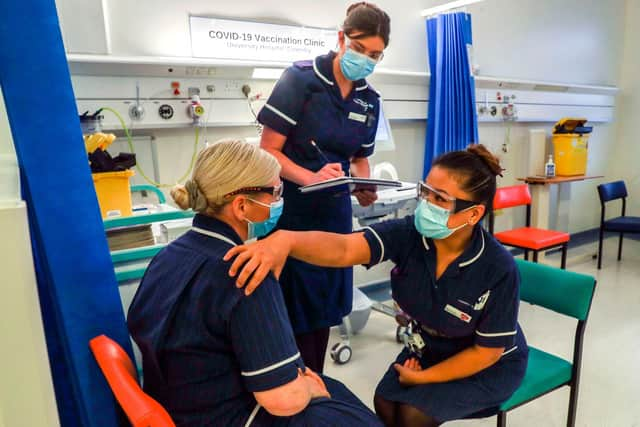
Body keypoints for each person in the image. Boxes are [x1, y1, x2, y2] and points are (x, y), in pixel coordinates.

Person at [225, 144, 529, 427]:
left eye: (440, 199)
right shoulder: (411, 235)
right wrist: (287, 240)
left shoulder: (496, 268)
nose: (426, 204)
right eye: (425, 192)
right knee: (385, 403)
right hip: (430, 348)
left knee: (412, 415)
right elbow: (345, 249)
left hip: (487, 365)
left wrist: (424, 379)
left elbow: (486, 353)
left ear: (473, 213)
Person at [127, 140, 383, 427]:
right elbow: (285, 400)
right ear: (241, 205)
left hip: (177, 404)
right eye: (275, 192)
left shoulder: (168, 256)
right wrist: (311, 389)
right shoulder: (247, 272)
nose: (278, 202)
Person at [255, 2, 391, 373]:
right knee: (292, 314)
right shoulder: (300, 80)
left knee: (322, 317)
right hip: (293, 214)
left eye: (375, 55)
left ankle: (313, 385)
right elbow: (268, 152)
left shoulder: (369, 100)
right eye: (360, 49)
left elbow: (360, 157)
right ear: (341, 38)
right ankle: (289, 386)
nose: (365, 60)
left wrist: (364, 184)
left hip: (335, 218)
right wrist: (310, 177)